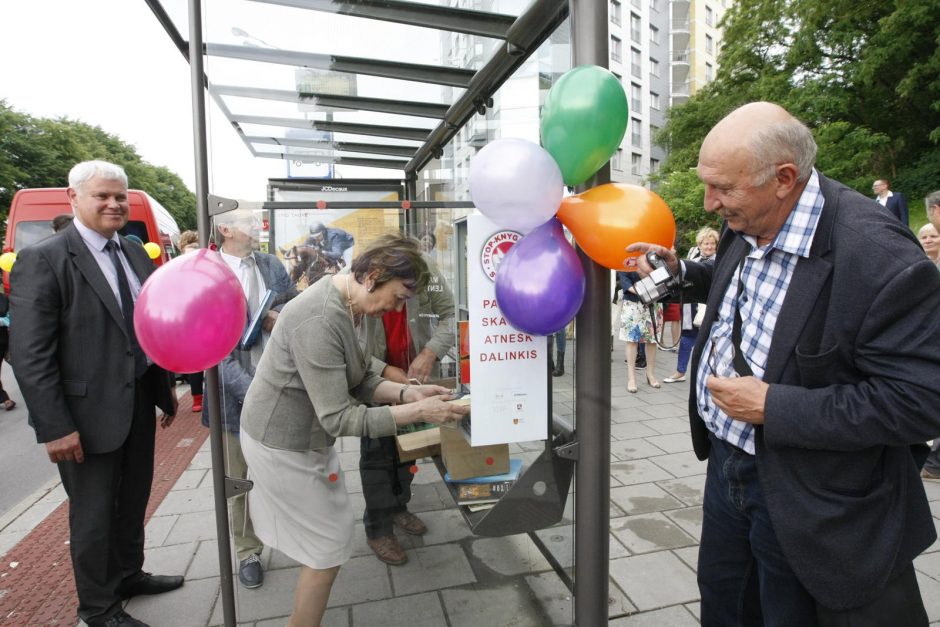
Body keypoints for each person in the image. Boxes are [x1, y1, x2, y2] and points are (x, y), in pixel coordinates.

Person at [630, 102, 940, 625]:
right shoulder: (750, 218)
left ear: (784, 178)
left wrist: (776, 405)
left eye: (722, 188)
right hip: (728, 466)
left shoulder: (877, 255)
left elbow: (921, 400)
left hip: (812, 492)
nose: (709, 204)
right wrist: (684, 271)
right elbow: (741, 279)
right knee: (727, 604)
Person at [239, 234, 469, 626]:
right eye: (398, 297)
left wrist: (407, 395)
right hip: (282, 441)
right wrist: (420, 410)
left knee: (328, 539)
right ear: (373, 276)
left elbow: (359, 374)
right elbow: (340, 418)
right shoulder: (322, 316)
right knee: (328, 546)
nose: (398, 308)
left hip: (305, 438)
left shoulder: (348, 304)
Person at [10, 160, 182, 627]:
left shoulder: (132, 252)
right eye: (102, 196)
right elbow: (30, 355)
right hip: (83, 419)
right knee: (93, 516)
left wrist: (163, 391)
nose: (113, 204)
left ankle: (128, 575)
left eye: (119, 196)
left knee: (132, 501)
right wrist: (55, 426)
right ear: (74, 198)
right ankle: (98, 609)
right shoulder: (43, 259)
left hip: (137, 404)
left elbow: (145, 326)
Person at [204, 210, 297, 589]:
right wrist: (252, 393)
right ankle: (248, 552)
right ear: (225, 229)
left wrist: (280, 314)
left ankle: (288, 533)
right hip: (233, 397)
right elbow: (209, 351)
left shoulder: (271, 264)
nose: (258, 226)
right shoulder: (206, 273)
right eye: (248, 222)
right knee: (238, 479)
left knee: (281, 470)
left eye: (258, 221)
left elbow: (294, 307)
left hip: (279, 386)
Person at [360, 255, 455, 565]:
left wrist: (430, 352)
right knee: (377, 455)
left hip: (414, 380)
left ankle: (399, 506)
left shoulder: (426, 272)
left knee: (408, 450)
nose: (400, 307)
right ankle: (378, 528)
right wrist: (385, 371)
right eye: (399, 295)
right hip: (374, 381)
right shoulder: (361, 286)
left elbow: (450, 314)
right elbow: (351, 347)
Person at [664, 227, 718, 383]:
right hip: (690, 307)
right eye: (706, 243)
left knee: (709, 342)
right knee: (687, 338)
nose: (709, 247)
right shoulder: (693, 257)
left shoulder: (719, 262)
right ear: (699, 244)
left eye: (712, 244)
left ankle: (710, 375)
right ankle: (680, 371)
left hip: (707, 309)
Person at [616, 270, 661, 393]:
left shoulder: (652, 254)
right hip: (632, 301)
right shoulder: (625, 258)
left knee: (652, 339)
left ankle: (650, 374)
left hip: (653, 301)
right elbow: (625, 280)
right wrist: (642, 292)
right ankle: (631, 378)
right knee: (632, 339)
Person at [177, 231, 205, 411]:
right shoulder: (177, 269)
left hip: (205, 319)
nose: (194, 250)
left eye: (196, 246)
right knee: (195, 361)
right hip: (189, 321)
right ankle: (197, 397)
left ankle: (202, 396)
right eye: (191, 246)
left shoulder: (205, 267)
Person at [0, 292, 14, 410]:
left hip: (9, 339)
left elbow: (12, 314)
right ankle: (5, 399)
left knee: (21, 367)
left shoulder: (4, 298)